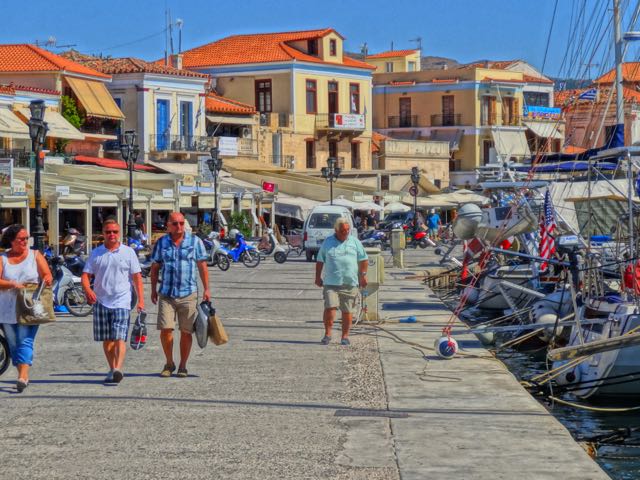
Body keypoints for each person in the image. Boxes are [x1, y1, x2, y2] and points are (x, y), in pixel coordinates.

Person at [81, 219, 144, 384]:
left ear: (119, 233)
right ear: (103, 234)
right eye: (108, 232)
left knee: (119, 337)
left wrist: (141, 301)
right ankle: (112, 368)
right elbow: (85, 276)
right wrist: (88, 290)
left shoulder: (128, 252)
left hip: (122, 300)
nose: (112, 235)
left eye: (115, 232)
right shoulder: (96, 253)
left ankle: (118, 368)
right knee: (107, 340)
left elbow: (137, 278)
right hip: (101, 301)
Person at [150, 212, 210, 378]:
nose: (179, 227)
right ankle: (169, 363)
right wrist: (153, 289)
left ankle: (183, 365)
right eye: (175, 223)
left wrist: (206, 289)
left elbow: (202, 266)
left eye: (181, 223)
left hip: (188, 293)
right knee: (166, 329)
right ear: (168, 225)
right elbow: (155, 268)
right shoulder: (162, 243)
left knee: (186, 331)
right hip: (167, 293)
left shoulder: (195, 242)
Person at [0, 224, 53, 392]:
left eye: (26, 238)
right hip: (6, 308)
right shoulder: (2, 258)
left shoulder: (35, 255)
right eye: (21, 239)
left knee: (25, 340)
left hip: (29, 306)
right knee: (13, 343)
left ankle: (22, 376)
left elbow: (47, 274)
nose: (25, 241)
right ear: (11, 240)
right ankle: (23, 373)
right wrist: (12, 284)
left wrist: (47, 279)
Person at [315, 217, 368, 346]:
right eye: (343, 230)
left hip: (350, 282)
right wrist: (317, 277)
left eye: (347, 230)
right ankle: (327, 334)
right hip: (331, 283)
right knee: (330, 307)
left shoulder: (355, 242)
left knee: (347, 310)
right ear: (336, 230)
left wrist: (363, 275)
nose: (346, 232)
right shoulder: (328, 242)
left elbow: (363, 259)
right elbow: (320, 260)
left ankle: (345, 336)